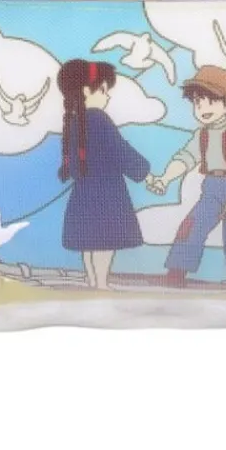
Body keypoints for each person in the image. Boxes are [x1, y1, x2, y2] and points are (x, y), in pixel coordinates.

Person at [148, 66, 226, 293]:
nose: (202, 109)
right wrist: (165, 179)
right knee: (192, 225)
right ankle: (177, 270)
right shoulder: (201, 135)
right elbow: (186, 158)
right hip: (212, 186)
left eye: (211, 102)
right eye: (198, 103)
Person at [58, 59, 154, 290]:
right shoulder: (99, 118)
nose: (107, 96)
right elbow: (120, 151)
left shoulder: (73, 121)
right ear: (85, 91)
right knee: (104, 241)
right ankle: (101, 284)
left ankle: (93, 281)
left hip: (83, 191)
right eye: (103, 90)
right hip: (107, 192)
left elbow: (72, 160)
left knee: (89, 242)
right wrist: (146, 174)